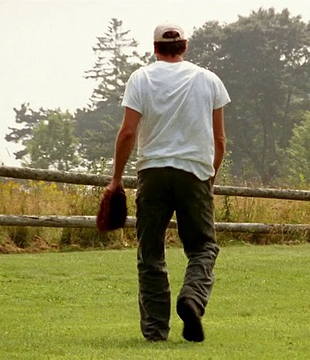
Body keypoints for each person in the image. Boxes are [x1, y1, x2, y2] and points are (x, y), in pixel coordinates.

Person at [106, 23, 231, 342]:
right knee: (203, 246)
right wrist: (209, 180)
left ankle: (156, 331)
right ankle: (192, 298)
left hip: (153, 172)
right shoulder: (208, 80)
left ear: (155, 48)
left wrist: (116, 180)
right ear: (185, 46)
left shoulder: (141, 78)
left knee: (150, 251)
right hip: (195, 173)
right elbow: (219, 141)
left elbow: (128, 132)